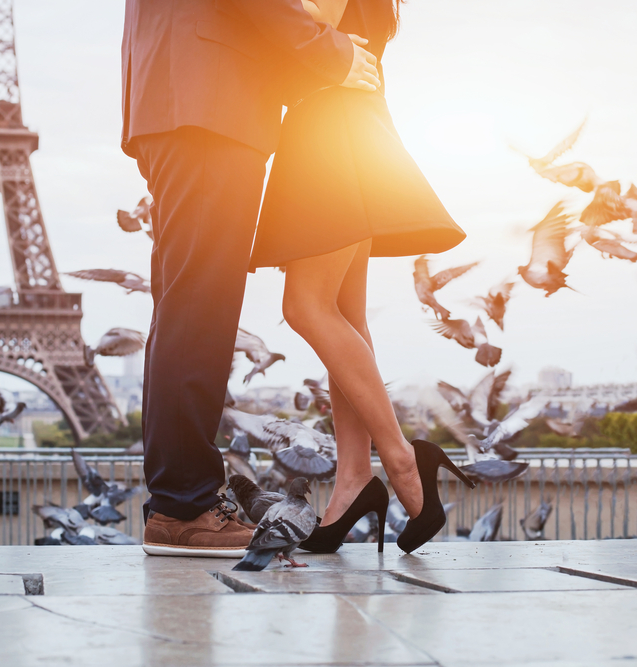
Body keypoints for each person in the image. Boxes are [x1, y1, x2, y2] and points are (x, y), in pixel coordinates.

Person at [121, 0, 382, 557]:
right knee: (199, 311)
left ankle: (179, 500)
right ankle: (182, 508)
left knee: (188, 307)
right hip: (209, 104)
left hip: (189, 95)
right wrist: (328, 51)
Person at [249, 0, 475, 554]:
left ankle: (400, 458)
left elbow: (301, 27)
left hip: (333, 127)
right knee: (343, 316)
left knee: (306, 307)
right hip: (346, 125)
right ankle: (353, 477)